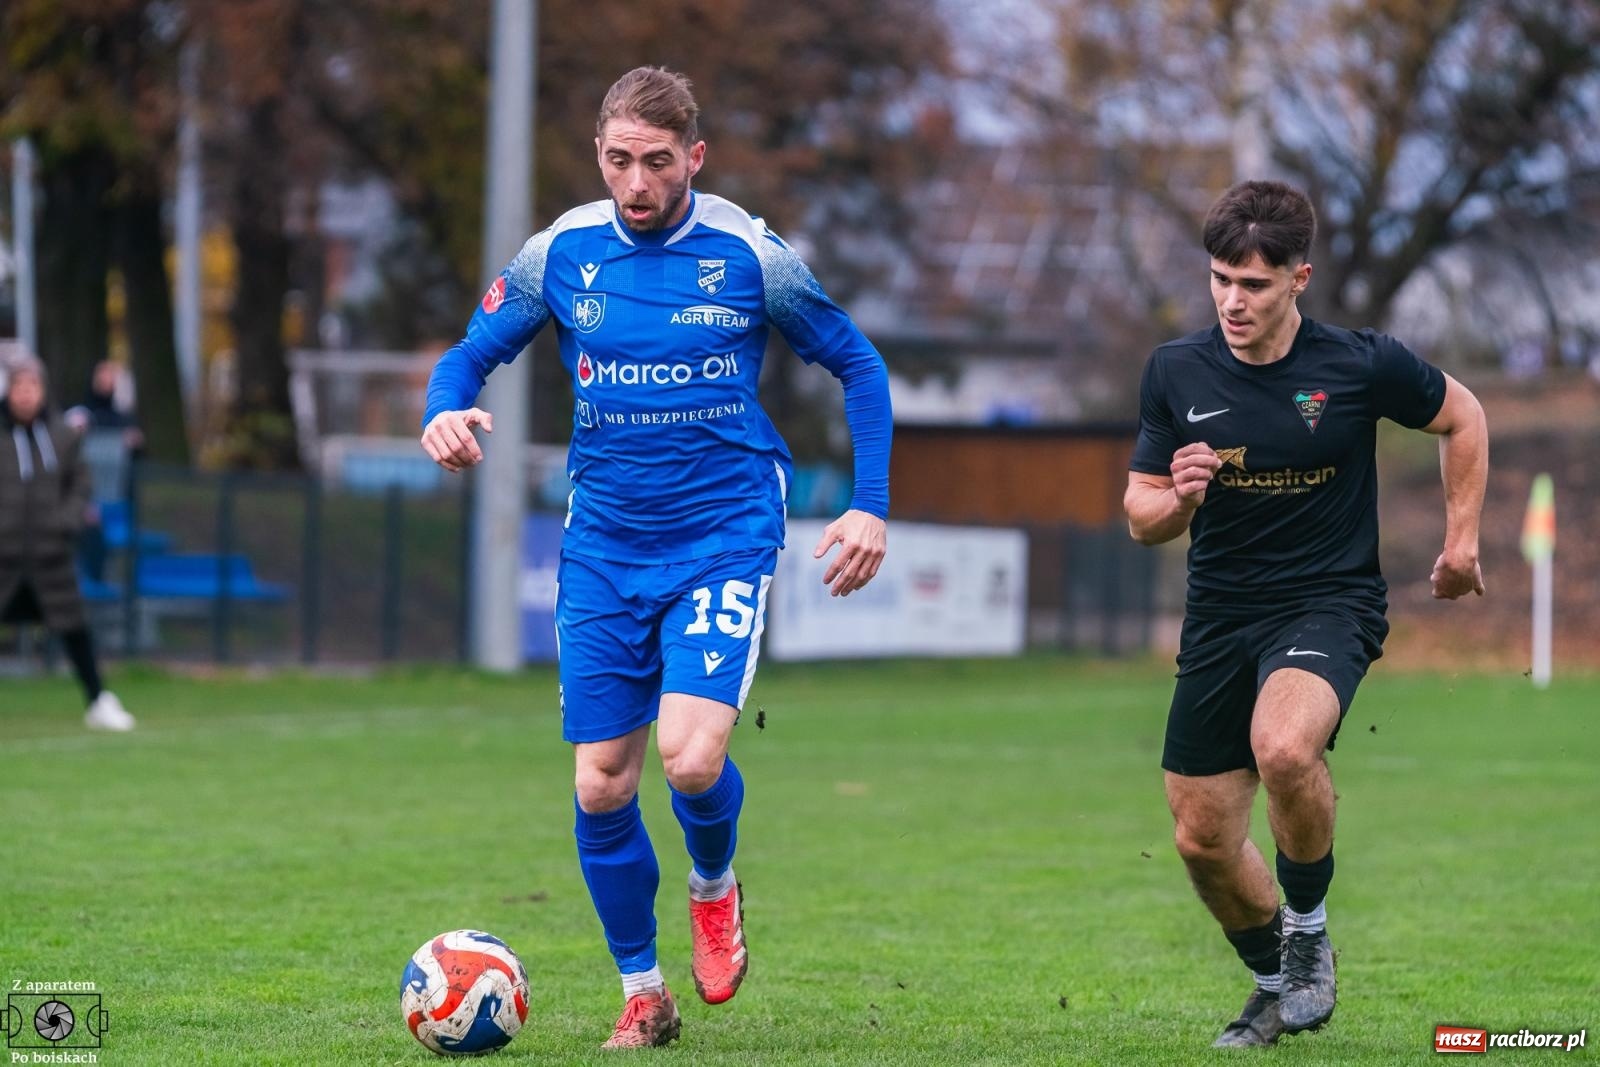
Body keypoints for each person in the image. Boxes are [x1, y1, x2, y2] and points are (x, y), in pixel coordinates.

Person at [420, 67, 890, 1049]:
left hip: (722, 531)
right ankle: (644, 990)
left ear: (695, 158)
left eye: (660, 162)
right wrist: (443, 410)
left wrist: (869, 504)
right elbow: (471, 351)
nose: (639, 182)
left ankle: (713, 885)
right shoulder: (562, 252)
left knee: (690, 754)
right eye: (621, 160)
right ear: (600, 153)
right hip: (602, 543)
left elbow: (855, 360)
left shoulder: (748, 253)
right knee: (601, 780)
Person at [1124, 180, 1487, 1048]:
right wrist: (1178, 500)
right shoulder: (1177, 370)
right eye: (1220, 280)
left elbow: (1463, 415)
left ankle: (1310, 930)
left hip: (1329, 601)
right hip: (1220, 614)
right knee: (1200, 837)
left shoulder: (1357, 365)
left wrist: (1462, 542)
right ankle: (1270, 984)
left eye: (1253, 284)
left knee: (1284, 746)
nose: (1231, 301)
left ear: (1299, 279)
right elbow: (1138, 515)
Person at [0, 354, 136, 731]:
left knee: (75, 628)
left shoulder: (62, 437)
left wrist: (64, 523)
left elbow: (81, 486)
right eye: (18, 387)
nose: (25, 395)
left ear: (43, 391)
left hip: (50, 556)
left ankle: (98, 701)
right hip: (3, 557)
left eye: (32, 387)